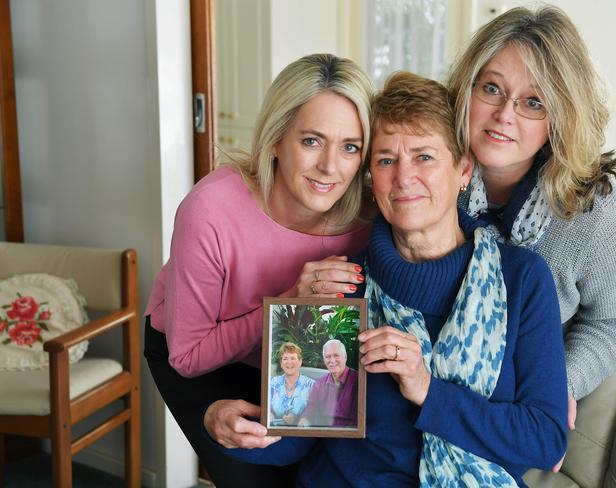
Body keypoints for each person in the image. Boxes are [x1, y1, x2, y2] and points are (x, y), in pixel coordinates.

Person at [213, 72, 568, 487]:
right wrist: (227, 425)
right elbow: (298, 438)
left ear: (464, 169)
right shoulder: (340, 284)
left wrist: (426, 389)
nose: (403, 177)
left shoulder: (522, 278)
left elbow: (545, 440)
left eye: (424, 157)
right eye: (385, 160)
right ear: (371, 179)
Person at [143, 53, 375, 487]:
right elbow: (187, 356)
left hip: (294, 360)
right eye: (311, 141)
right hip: (198, 355)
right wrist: (290, 302)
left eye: (350, 147)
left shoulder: (368, 221)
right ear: (275, 139)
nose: (330, 166)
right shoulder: (211, 210)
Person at [447, 5, 616, 465]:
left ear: (560, 115)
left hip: (510, 402)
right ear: (465, 90)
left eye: (533, 102)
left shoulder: (592, 211)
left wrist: (555, 388)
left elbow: (613, 324)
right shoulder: (426, 171)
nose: (503, 114)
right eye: (491, 88)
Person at [299, 339, 358, 427]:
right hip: (324, 434)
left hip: (350, 436)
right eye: (328, 357)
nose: (332, 360)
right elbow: (309, 412)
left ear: (345, 357)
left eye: (336, 355)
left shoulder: (357, 381)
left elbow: (359, 421)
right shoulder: (319, 384)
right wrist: (304, 421)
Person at [270, 342, 315, 426]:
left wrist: (299, 418)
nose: (289, 362)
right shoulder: (273, 383)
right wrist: (269, 414)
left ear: (300, 362)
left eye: (293, 358)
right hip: (274, 430)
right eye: (285, 358)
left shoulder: (311, 385)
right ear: (281, 363)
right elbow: (266, 406)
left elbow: (315, 410)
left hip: (300, 432)